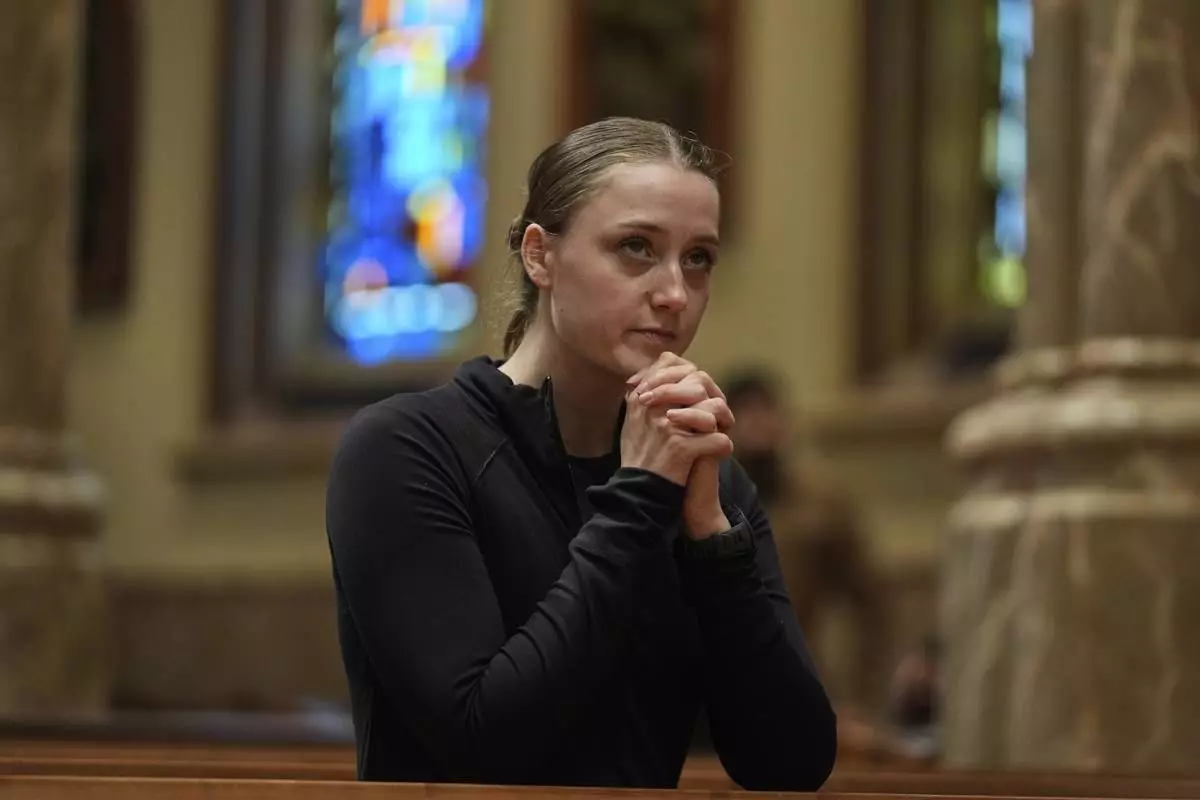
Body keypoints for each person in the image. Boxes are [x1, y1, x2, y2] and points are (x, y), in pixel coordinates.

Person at [325, 117, 837, 790]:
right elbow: (481, 741)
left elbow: (792, 765)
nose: (675, 294)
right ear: (541, 255)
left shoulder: (708, 480)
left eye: (698, 258)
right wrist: (639, 497)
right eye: (635, 247)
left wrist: (714, 545)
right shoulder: (407, 449)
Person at [721, 370, 889, 716]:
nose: (757, 425)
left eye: (764, 410)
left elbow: (873, 606)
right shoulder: (700, 503)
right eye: (745, 413)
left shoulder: (820, 505)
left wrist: (862, 701)